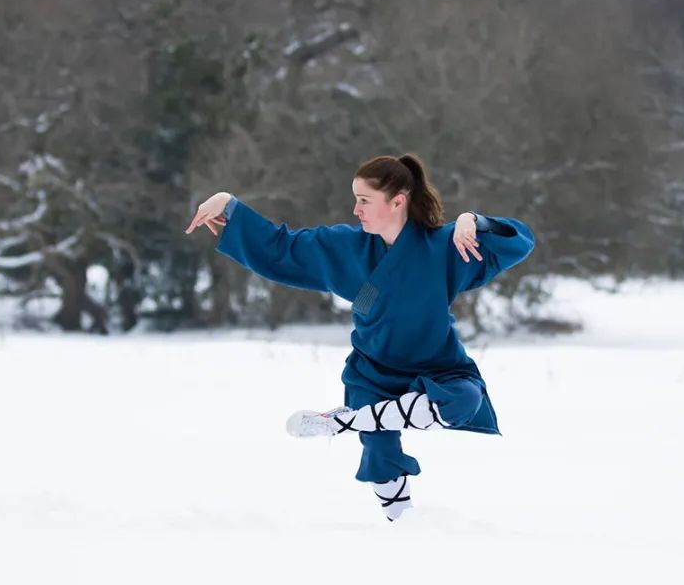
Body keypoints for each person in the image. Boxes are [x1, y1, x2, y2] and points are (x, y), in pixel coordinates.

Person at [185, 154, 535, 521]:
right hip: (373, 372)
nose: (355, 210)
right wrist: (229, 205)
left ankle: (345, 421)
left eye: (364, 200)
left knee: (464, 400)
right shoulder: (346, 247)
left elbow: (520, 240)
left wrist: (473, 220)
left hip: (438, 366)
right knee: (381, 460)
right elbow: (282, 248)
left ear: (398, 201)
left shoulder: (446, 246)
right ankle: (402, 525)